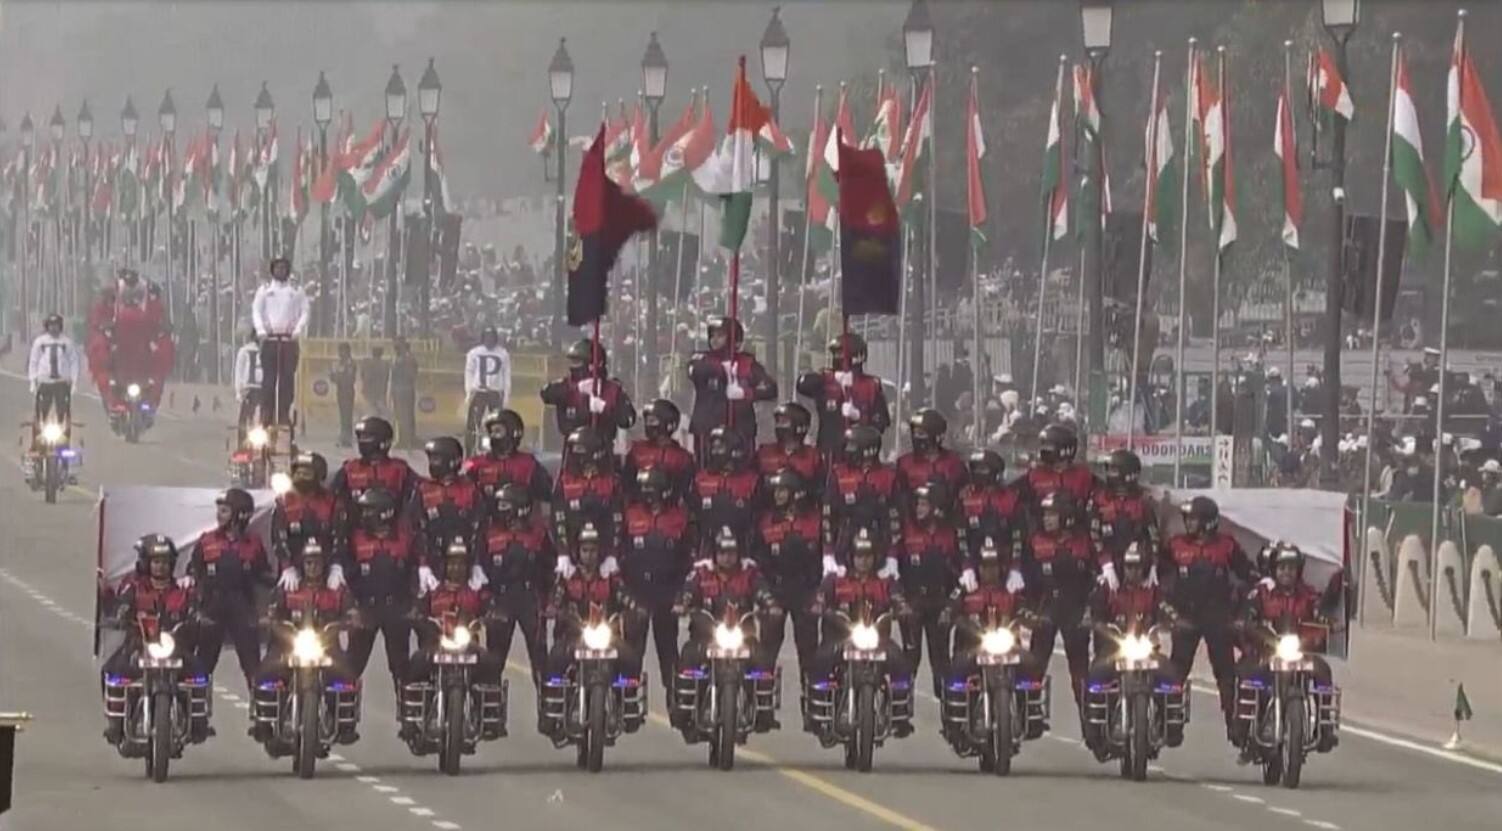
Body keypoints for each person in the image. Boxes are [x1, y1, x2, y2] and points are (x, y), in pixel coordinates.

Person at [1161, 495, 1257, 732]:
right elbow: (1159, 575)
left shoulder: (1227, 545)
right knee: (1177, 669)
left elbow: (1247, 573)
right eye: (1188, 519)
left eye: (1193, 519)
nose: (1189, 523)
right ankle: (1169, 719)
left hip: (1217, 616)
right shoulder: (1175, 545)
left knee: (1225, 671)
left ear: (1208, 522)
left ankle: (1233, 723)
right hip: (1186, 616)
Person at [806, 527, 913, 738]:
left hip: (876, 640)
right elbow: (819, 598)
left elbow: (900, 600)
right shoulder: (836, 580)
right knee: (819, 660)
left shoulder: (886, 582)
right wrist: (819, 607)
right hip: (843, 638)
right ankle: (818, 713)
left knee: (901, 662)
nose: (863, 562)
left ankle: (900, 715)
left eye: (867, 557)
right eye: (859, 556)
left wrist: (903, 609)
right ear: (851, 557)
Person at [1232, 542, 1338, 755]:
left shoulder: (1308, 594)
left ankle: (1325, 727)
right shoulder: (1261, 593)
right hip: (1267, 652)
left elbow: (1319, 611)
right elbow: (1247, 616)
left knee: (1323, 671)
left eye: (1291, 568)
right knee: (1248, 674)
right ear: (1274, 570)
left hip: (1298, 653)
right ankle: (1243, 726)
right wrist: (1249, 624)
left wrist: (1327, 620)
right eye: (1282, 567)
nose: (1287, 572)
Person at [250, 536, 358, 744]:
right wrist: (269, 620)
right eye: (309, 562)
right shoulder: (288, 588)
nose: (313, 567)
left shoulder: (336, 591)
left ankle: (345, 723)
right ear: (302, 564)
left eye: (317, 562)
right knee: (265, 673)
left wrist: (352, 618)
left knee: (347, 675)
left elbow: (350, 609)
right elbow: (272, 612)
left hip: (326, 646)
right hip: (290, 645)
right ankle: (263, 722)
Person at [671, 526, 781, 729]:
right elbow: (686, 592)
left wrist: (771, 605)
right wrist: (682, 604)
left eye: (731, 553)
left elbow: (763, 591)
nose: (727, 558)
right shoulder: (701, 572)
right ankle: (683, 707)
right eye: (722, 552)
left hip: (742, 636)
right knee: (688, 656)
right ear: (715, 553)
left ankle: (764, 709)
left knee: (762, 660)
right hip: (706, 636)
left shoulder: (749, 572)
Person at [101, 534, 207, 745]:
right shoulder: (133, 588)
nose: (160, 567)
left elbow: (196, 611)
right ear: (145, 563)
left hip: (172, 647)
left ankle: (197, 722)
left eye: (165, 563)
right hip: (138, 646)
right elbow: (120, 607)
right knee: (111, 671)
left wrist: (198, 620)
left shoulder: (183, 591)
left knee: (199, 672)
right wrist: (118, 615)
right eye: (156, 562)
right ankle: (115, 722)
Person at [1081, 541, 1184, 757]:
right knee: (1096, 676)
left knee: (1172, 676)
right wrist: (1094, 621)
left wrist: (1175, 620)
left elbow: (1167, 609)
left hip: (1147, 651)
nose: (1132, 572)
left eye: (1137, 567)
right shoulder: (1108, 588)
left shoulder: (1154, 591)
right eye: (1129, 567)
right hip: (1114, 650)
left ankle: (1171, 725)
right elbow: (1093, 611)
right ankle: (1095, 728)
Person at [540, 522, 638, 742]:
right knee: (555, 658)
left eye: (593, 550)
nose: (589, 555)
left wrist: (635, 608)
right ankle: (552, 706)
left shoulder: (610, 577)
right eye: (585, 550)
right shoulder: (567, 579)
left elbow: (624, 596)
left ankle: (627, 704)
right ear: (578, 552)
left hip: (605, 635)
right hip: (574, 635)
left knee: (631, 658)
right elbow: (554, 600)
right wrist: (554, 610)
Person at [404, 537, 506, 741]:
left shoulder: (476, 592)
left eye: (461, 563)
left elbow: (490, 607)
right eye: (452, 563)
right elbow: (418, 609)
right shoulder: (433, 591)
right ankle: (411, 717)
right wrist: (415, 616)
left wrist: (494, 615)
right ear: (445, 565)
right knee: (414, 663)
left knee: (492, 664)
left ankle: (490, 716)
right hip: (437, 646)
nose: (457, 567)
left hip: (467, 646)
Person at [943, 535, 1044, 741]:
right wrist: (950, 617)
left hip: (1006, 648)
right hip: (974, 648)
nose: (989, 571)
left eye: (994, 566)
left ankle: (1031, 716)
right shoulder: (966, 590)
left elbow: (1024, 609)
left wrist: (1034, 619)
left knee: (1032, 665)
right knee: (955, 671)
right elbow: (950, 609)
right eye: (985, 566)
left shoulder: (1012, 592)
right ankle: (956, 720)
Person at [621, 467, 697, 699]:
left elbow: (689, 555)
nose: (647, 494)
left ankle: (676, 699)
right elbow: (619, 549)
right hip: (638, 590)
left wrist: (682, 592)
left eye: (651, 490)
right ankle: (627, 698)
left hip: (667, 589)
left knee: (668, 648)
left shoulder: (679, 518)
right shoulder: (630, 515)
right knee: (631, 648)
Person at [185, 488, 272, 689]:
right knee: (202, 664)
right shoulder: (206, 541)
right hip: (212, 608)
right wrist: (189, 582)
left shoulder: (254, 544)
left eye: (224, 511)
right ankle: (197, 708)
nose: (219, 515)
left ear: (240, 515)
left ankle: (260, 709)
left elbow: (263, 576)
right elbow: (193, 570)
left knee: (252, 664)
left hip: (242, 607)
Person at [1021, 492, 1096, 710]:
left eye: (1052, 514)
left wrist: (1090, 609)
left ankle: (1089, 718)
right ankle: (1028, 711)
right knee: (1034, 664)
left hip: (1075, 608)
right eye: (1045, 515)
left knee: (1080, 670)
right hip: (1046, 608)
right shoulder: (1035, 542)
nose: (1047, 519)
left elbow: (1094, 576)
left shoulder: (1083, 542)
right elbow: (1026, 577)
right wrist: (1028, 608)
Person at [341, 487, 420, 687]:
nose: (364, 516)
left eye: (368, 511)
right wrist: (351, 607)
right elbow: (346, 574)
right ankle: (339, 712)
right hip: (365, 609)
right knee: (351, 666)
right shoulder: (355, 539)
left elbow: (416, 569)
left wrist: (414, 603)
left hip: (397, 608)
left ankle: (409, 713)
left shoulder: (404, 537)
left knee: (401, 666)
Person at [475, 484, 553, 687]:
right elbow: (479, 570)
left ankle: (548, 711)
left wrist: (550, 599)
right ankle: (489, 710)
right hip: (500, 600)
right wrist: (486, 602)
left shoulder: (539, 535)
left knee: (540, 660)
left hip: (530, 600)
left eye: (504, 505)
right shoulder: (489, 535)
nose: (499, 509)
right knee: (494, 660)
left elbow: (550, 567)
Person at [752, 469, 824, 682]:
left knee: (809, 652)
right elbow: (758, 559)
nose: (777, 495)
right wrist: (765, 595)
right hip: (776, 590)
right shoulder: (766, 521)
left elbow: (821, 557)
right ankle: (762, 705)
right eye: (776, 491)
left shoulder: (814, 520)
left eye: (782, 491)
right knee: (766, 651)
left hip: (805, 591)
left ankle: (813, 705)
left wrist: (817, 592)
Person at [894, 483, 961, 698]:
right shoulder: (907, 532)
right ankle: (900, 708)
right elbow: (893, 567)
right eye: (918, 504)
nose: (919, 508)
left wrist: (951, 606)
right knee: (909, 657)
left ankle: (949, 709)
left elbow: (960, 574)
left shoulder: (950, 536)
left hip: (940, 603)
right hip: (913, 602)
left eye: (924, 504)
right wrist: (900, 601)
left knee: (941, 658)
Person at [686, 316, 777, 456]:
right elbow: (696, 371)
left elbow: (770, 388)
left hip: (740, 430)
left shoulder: (747, 362)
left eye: (720, 335)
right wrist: (725, 373)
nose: (714, 340)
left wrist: (745, 393)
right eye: (712, 335)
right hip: (707, 429)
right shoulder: (701, 358)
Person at [795, 333, 891, 459]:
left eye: (840, 353)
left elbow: (882, 422)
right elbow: (802, 385)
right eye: (834, 354)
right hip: (829, 448)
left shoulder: (871, 385)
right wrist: (833, 378)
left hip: (859, 452)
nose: (836, 357)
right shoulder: (825, 379)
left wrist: (858, 416)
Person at [330, 417, 419, 538]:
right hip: (355, 531)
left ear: (383, 442)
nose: (362, 442)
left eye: (366, 438)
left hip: (393, 531)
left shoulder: (399, 469)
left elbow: (420, 491)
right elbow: (331, 497)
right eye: (360, 438)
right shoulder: (349, 469)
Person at [824, 425, 902, 562]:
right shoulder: (838, 473)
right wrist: (828, 553)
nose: (847, 450)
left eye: (852, 446)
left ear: (868, 450)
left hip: (878, 539)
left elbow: (895, 516)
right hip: (845, 539)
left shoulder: (888, 476)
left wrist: (892, 555)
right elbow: (828, 514)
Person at [540, 340, 636, 448]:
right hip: (572, 451)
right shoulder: (566, 386)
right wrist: (576, 389)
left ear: (594, 364)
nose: (573, 366)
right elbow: (546, 394)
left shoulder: (613, 389)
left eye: (577, 362)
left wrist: (605, 408)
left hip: (604, 451)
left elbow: (628, 420)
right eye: (572, 362)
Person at [410, 437, 485, 571]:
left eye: (436, 459)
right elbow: (416, 527)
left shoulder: (469, 488)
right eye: (431, 459)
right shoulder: (423, 489)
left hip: (462, 557)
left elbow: (479, 526)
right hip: (433, 556)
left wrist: (477, 563)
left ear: (452, 462)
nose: (432, 464)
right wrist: (423, 564)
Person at [250, 257, 309, 427]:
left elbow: (305, 311)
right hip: (270, 340)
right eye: (277, 268)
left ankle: (283, 413)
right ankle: (266, 414)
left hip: (288, 341)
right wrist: (261, 330)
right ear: (272, 270)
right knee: (268, 380)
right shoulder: (265, 290)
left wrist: (298, 330)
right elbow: (256, 311)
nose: (281, 271)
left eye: (284, 268)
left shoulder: (296, 290)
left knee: (287, 381)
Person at [1087, 449, 1161, 581]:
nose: (1109, 475)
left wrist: (1153, 565)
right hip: (1104, 564)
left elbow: (1153, 536)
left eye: (1113, 471)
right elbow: (1093, 534)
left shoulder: (1143, 501)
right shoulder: (1099, 499)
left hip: (1134, 565)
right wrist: (1105, 563)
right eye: (1108, 470)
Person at [551, 427, 626, 555]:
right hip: (573, 547)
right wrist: (563, 553)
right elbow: (558, 518)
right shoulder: (564, 482)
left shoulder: (611, 482)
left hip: (605, 547)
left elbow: (618, 517)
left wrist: (613, 554)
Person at [462, 409, 554, 513]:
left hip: (521, 525)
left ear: (512, 432)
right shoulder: (475, 464)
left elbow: (548, 494)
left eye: (497, 431)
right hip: (487, 524)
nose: (493, 436)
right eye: (491, 432)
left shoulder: (528, 464)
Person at [271, 452, 342, 583]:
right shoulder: (283, 502)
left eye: (306, 474)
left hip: (325, 567)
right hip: (293, 569)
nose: (301, 477)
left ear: (318, 476)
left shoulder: (331, 502)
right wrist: (287, 567)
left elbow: (339, 535)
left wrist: (336, 565)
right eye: (298, 473)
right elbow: (278, 537)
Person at [690, 427, 761, 552]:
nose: (715, 452)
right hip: (708, 544)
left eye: (720, 447)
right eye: (713, 447)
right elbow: (693, 514)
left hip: (743, 544)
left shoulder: (752, 480)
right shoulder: (701, 479)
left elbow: (758, 516)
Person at [1016, 423, 1098, 525]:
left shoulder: (1083, 475)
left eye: (1048, 447)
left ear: (1066, 450)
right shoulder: (1034, 475)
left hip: (1076, 531)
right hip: (1041, 532)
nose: (1043, 451)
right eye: (1043, 446)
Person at [955, 450, 1025, 565]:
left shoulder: (1010, 498)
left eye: (983, 469)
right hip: (974, 558)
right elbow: (961, 534)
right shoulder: (966, 497)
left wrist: (1015, 567)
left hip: (1004, 557)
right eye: (976, 469)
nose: (978, 473)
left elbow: (1018, 535)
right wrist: (967, 567)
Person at [621, 399, 697, 504]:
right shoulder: (637, 451)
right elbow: (627, 484)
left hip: (670, 513)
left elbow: (684, 491)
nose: (648, 425)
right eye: (647, 421)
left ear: (669, 424)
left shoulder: (682, 458)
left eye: (652, 421)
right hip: (640, 512)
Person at [895, 409, 967, 515]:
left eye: (921, 433)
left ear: (937, 436)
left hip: (947, 524)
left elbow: (964, 492)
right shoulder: (904, 463)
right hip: (913, 526)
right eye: (914, 433)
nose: (916, 438)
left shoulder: (954, 462)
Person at [27, 313, 79, 443]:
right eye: (51, 325)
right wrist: (32, 381)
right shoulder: (40, 342)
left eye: (56, 325)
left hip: (62, 383)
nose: (53, 328)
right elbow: (33, 361)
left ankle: (63, 440)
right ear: (47, 326)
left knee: (63, 412)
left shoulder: (67, 342)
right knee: (41, 412)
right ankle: (38, 440)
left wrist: (74, 382)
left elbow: (74, 362)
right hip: (45, 383)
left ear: (60, 326)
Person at [464, 325, 513, 454]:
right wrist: (469, 392)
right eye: (487, 337)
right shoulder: (474, 353)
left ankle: (498, 450)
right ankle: (470, 452)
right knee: (473, 424)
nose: (489, 340)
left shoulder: (503, 353)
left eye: (491, 337)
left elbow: (506, 375)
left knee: (497, 424)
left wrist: (506, 395)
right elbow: (469, 373)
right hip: (479, 392)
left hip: (495, 393)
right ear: (483, 338)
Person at [755, 402, 823, 485]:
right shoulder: (764, 453)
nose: (779, 426)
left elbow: (820, 488)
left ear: (799, 426)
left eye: (783, 422)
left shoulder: (813, 456)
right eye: (778, 422)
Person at [390, 337, 420, 450]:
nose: (396, 348)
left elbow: (412, 374)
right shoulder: (396, 358)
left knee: (405, 415)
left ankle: (406, 440)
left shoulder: (408, 358)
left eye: (398, 346)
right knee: (400, 415)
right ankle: (405, 438)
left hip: (405, 389)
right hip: (398, 389)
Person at [232, 332, 263, 438]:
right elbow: (239, 372)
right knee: (244, 420)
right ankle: (242, 445)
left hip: (262, 389)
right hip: (249, 390)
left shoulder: (268, 351)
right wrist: (238, 392)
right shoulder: (244, 351)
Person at [330, 342, 359, 447]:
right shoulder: (338, 364)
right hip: (340, 390)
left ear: (347, 351)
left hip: (348, 391)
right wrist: (337, 376)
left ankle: (347, 438)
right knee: (343, 415)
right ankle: (344, 437)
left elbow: (350, 378)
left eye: (342, 351)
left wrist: (339, 376)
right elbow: (332, 377)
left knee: (347, 415)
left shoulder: (350, 363)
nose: (340, 353)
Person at [360, 346, 391, 419]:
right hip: (381, 391)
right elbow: (387, 377)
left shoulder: (368, 363)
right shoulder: (385, 364)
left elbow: (364, 376)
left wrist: (364, 387)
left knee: (371, 412)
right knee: (381, 413)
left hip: (370, 391)